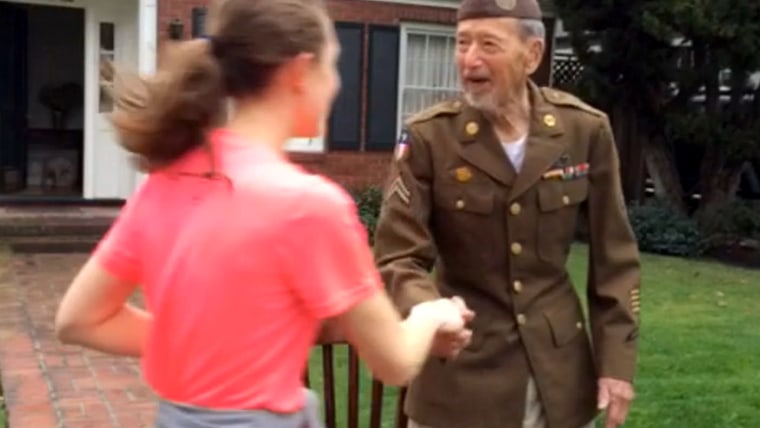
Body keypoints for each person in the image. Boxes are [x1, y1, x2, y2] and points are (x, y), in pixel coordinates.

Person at [53, 1, 474, 427]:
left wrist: (199, 346)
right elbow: (396, 362)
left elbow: (79, 320)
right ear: (299, 72)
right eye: (332, 66)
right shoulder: (309, 206)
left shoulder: (163, 185)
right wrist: (431, 314)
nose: (334, 84)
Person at [372, 0, 642, 427]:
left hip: (558, 377)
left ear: (532, 54)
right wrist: (431, 312)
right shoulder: (429, 138)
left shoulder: (584, 130)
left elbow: (616, 260)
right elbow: (396, 257)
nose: (470, 59)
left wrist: (617, 361)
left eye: (488, 44)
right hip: (461, 377)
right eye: (462, 44)